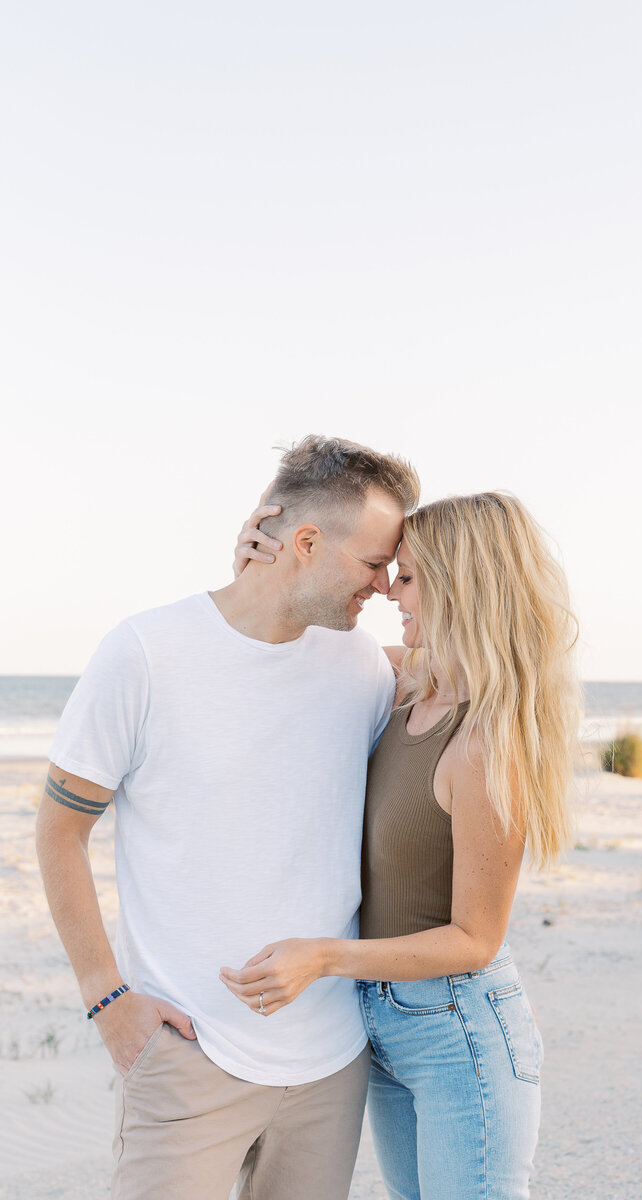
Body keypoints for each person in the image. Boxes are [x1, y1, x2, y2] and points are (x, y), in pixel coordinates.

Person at [35, 435, 420, 1200]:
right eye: (375, 563)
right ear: (305, 541)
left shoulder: (364, 668)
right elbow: (59, 830)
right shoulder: (147, 652)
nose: (383, 586)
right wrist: (108, 1001)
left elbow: (476, 676)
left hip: (331, 1064)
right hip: (186, 1055)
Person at [226, 490, 581, 1199]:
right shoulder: (404, 687)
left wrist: (322, 957)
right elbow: (288, 645)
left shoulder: (485, 744)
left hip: (458, 1032)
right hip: (385, 1025)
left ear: (462, 587)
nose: (390, 591)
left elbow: (475, 939)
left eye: (410, 577)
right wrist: (251, 569)